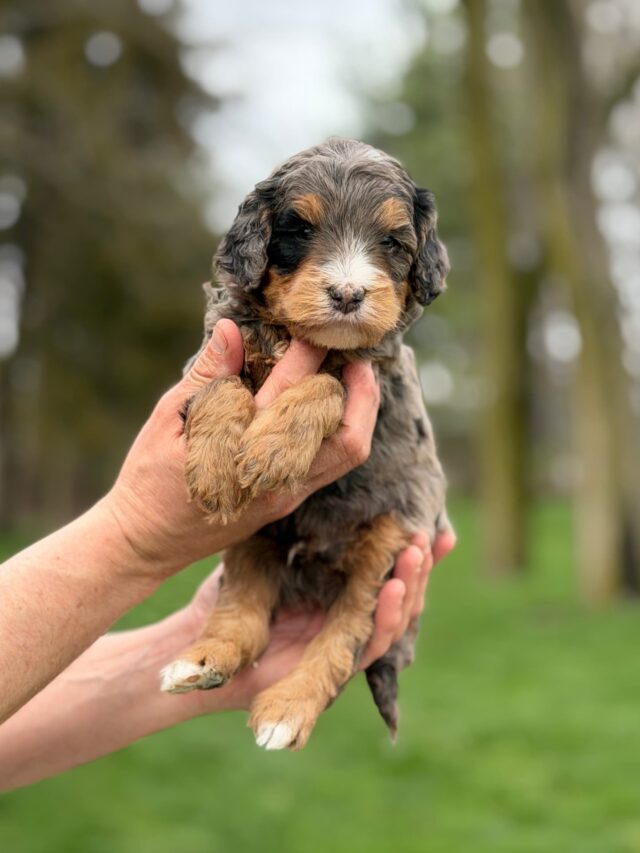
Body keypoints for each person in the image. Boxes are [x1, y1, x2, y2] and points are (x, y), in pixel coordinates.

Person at [0, 319, 455, 790]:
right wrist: (134, 531)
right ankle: (237, 640)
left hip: (369, 518)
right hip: (268, 537)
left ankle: (297, 674)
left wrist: (182, 636)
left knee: (368, 589)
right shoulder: (245, 311)